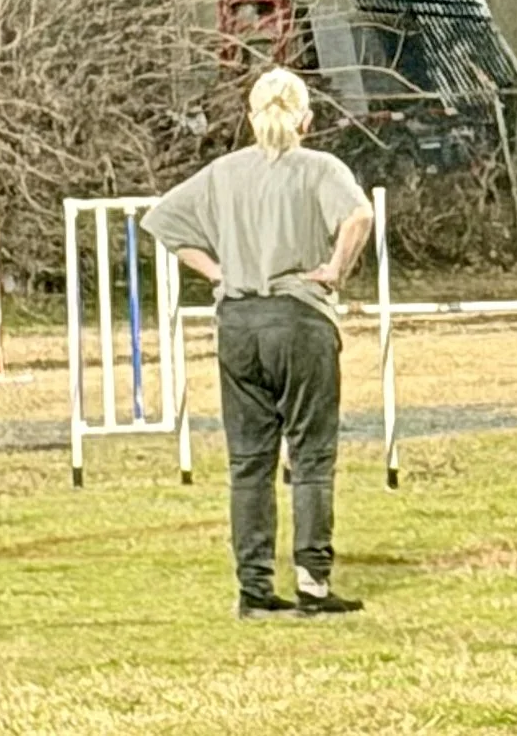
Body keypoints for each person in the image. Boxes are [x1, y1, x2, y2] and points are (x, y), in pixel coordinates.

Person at [142, 66, 375, 620]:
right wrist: (334, 269)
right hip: (299, 319)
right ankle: (313, 584)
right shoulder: (319, 167)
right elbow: (359, 215)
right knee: (311, 456)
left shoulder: (224, 172)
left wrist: (219, 272)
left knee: (249, 463)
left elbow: (164, 223)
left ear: (250, 117)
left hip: (238, 324)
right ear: (306, 118)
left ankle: (253, 589)